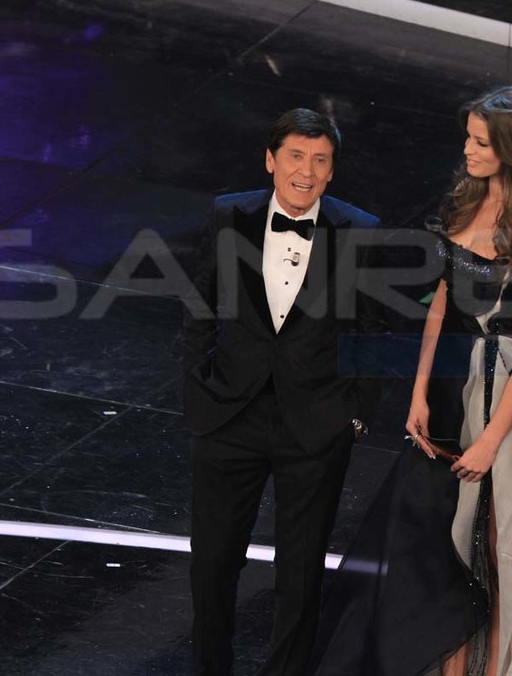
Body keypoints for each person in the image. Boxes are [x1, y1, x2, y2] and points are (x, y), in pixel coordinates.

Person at [311, 86, 512, 676]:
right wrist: (419, 390)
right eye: (468, 138)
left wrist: (492, 439)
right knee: (434, 546)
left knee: (495, 548)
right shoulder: (464, 203)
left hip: (503, 400)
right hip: (449, 390)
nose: (467, 150)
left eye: (480, 142)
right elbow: (442, 304)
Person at [181, 107, 383, 675]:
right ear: (270, 160)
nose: (306, 171)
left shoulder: (360, 229)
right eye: (295, 156)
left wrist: (355, 415)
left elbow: (371, 330)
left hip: (315, 423)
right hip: (229, 415)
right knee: (212, 562)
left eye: (320, 160)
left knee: (301, 572)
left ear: (332, 171)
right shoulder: (229, 214)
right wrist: (199, 390)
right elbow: (199, 305)